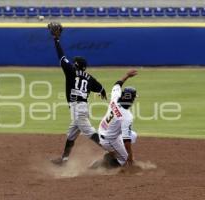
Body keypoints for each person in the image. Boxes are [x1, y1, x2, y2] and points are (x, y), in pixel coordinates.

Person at [48, 22, 107, 165]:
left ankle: (113, 151)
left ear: (76, 65)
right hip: (81, 107)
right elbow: (101, 89)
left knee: (89, 131)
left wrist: (56, 40)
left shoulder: (70, 71)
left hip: (78, 108)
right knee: (71, 134)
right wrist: (102, 93)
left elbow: (61, 56)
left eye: (74, 62)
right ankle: (64, 159)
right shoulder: (89, 77)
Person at [91, 69, 138, 169]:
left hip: (103, 130)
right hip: (108, 139)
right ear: (131, 100)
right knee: (124, 159)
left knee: (133, 135)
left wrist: (127, 75)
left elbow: (117, 84)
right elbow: (126, 140)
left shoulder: (115, 98)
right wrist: (130, 157)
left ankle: (112, 155)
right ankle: (102, 165)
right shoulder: (127, 117)